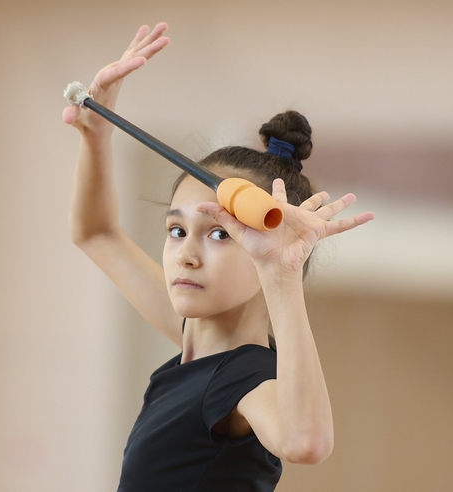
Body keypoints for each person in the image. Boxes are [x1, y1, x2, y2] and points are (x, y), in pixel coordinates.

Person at [63, 23, 374, 492]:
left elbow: (305, 443)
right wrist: (97, 134)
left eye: (219, 235)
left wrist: (282, 276)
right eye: (176, 230)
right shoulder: (198, 344)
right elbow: (96, 233)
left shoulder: (242, 378)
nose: (185, 255)